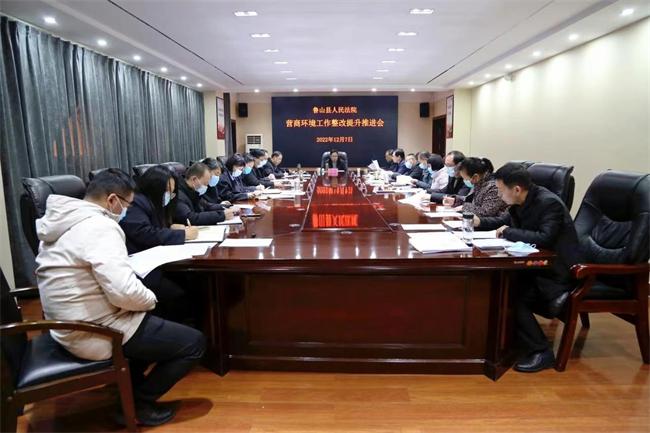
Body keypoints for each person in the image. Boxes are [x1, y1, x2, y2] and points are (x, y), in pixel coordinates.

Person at [35, 168, 205, 426]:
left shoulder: (61, 221)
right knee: (194, 343)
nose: (126, 211)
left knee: (156, 316)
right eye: (127, 204)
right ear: (112, 200)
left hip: (65, 325)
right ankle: (138, 403)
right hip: (93, 331)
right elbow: (124, 292)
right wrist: (150, 300)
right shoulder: (99, 227)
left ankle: (130, 385)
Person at [475, 163, 583, 372]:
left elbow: (545, 238)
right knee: (498, 285)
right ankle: (510, 338)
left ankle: (542, 351)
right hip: (536, 265)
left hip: (556, 272)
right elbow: (502, 222)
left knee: (509, 293)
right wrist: (478, 222)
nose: (499, 195)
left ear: (516, 189)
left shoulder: (549, 203)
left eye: (500, 190)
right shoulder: (521, 201)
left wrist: (508, 232)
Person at [119, 165, 197, 322]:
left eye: (172, 192)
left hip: (157, 261)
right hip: (140, 267)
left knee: (194, 282)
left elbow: (154, 227)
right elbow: (144, 233)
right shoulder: (136, 203)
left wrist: (170, 227)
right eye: (167, 191)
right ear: (154, 187)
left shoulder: (154, 202)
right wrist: (181, 235)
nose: (169, 195)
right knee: (179, 293)